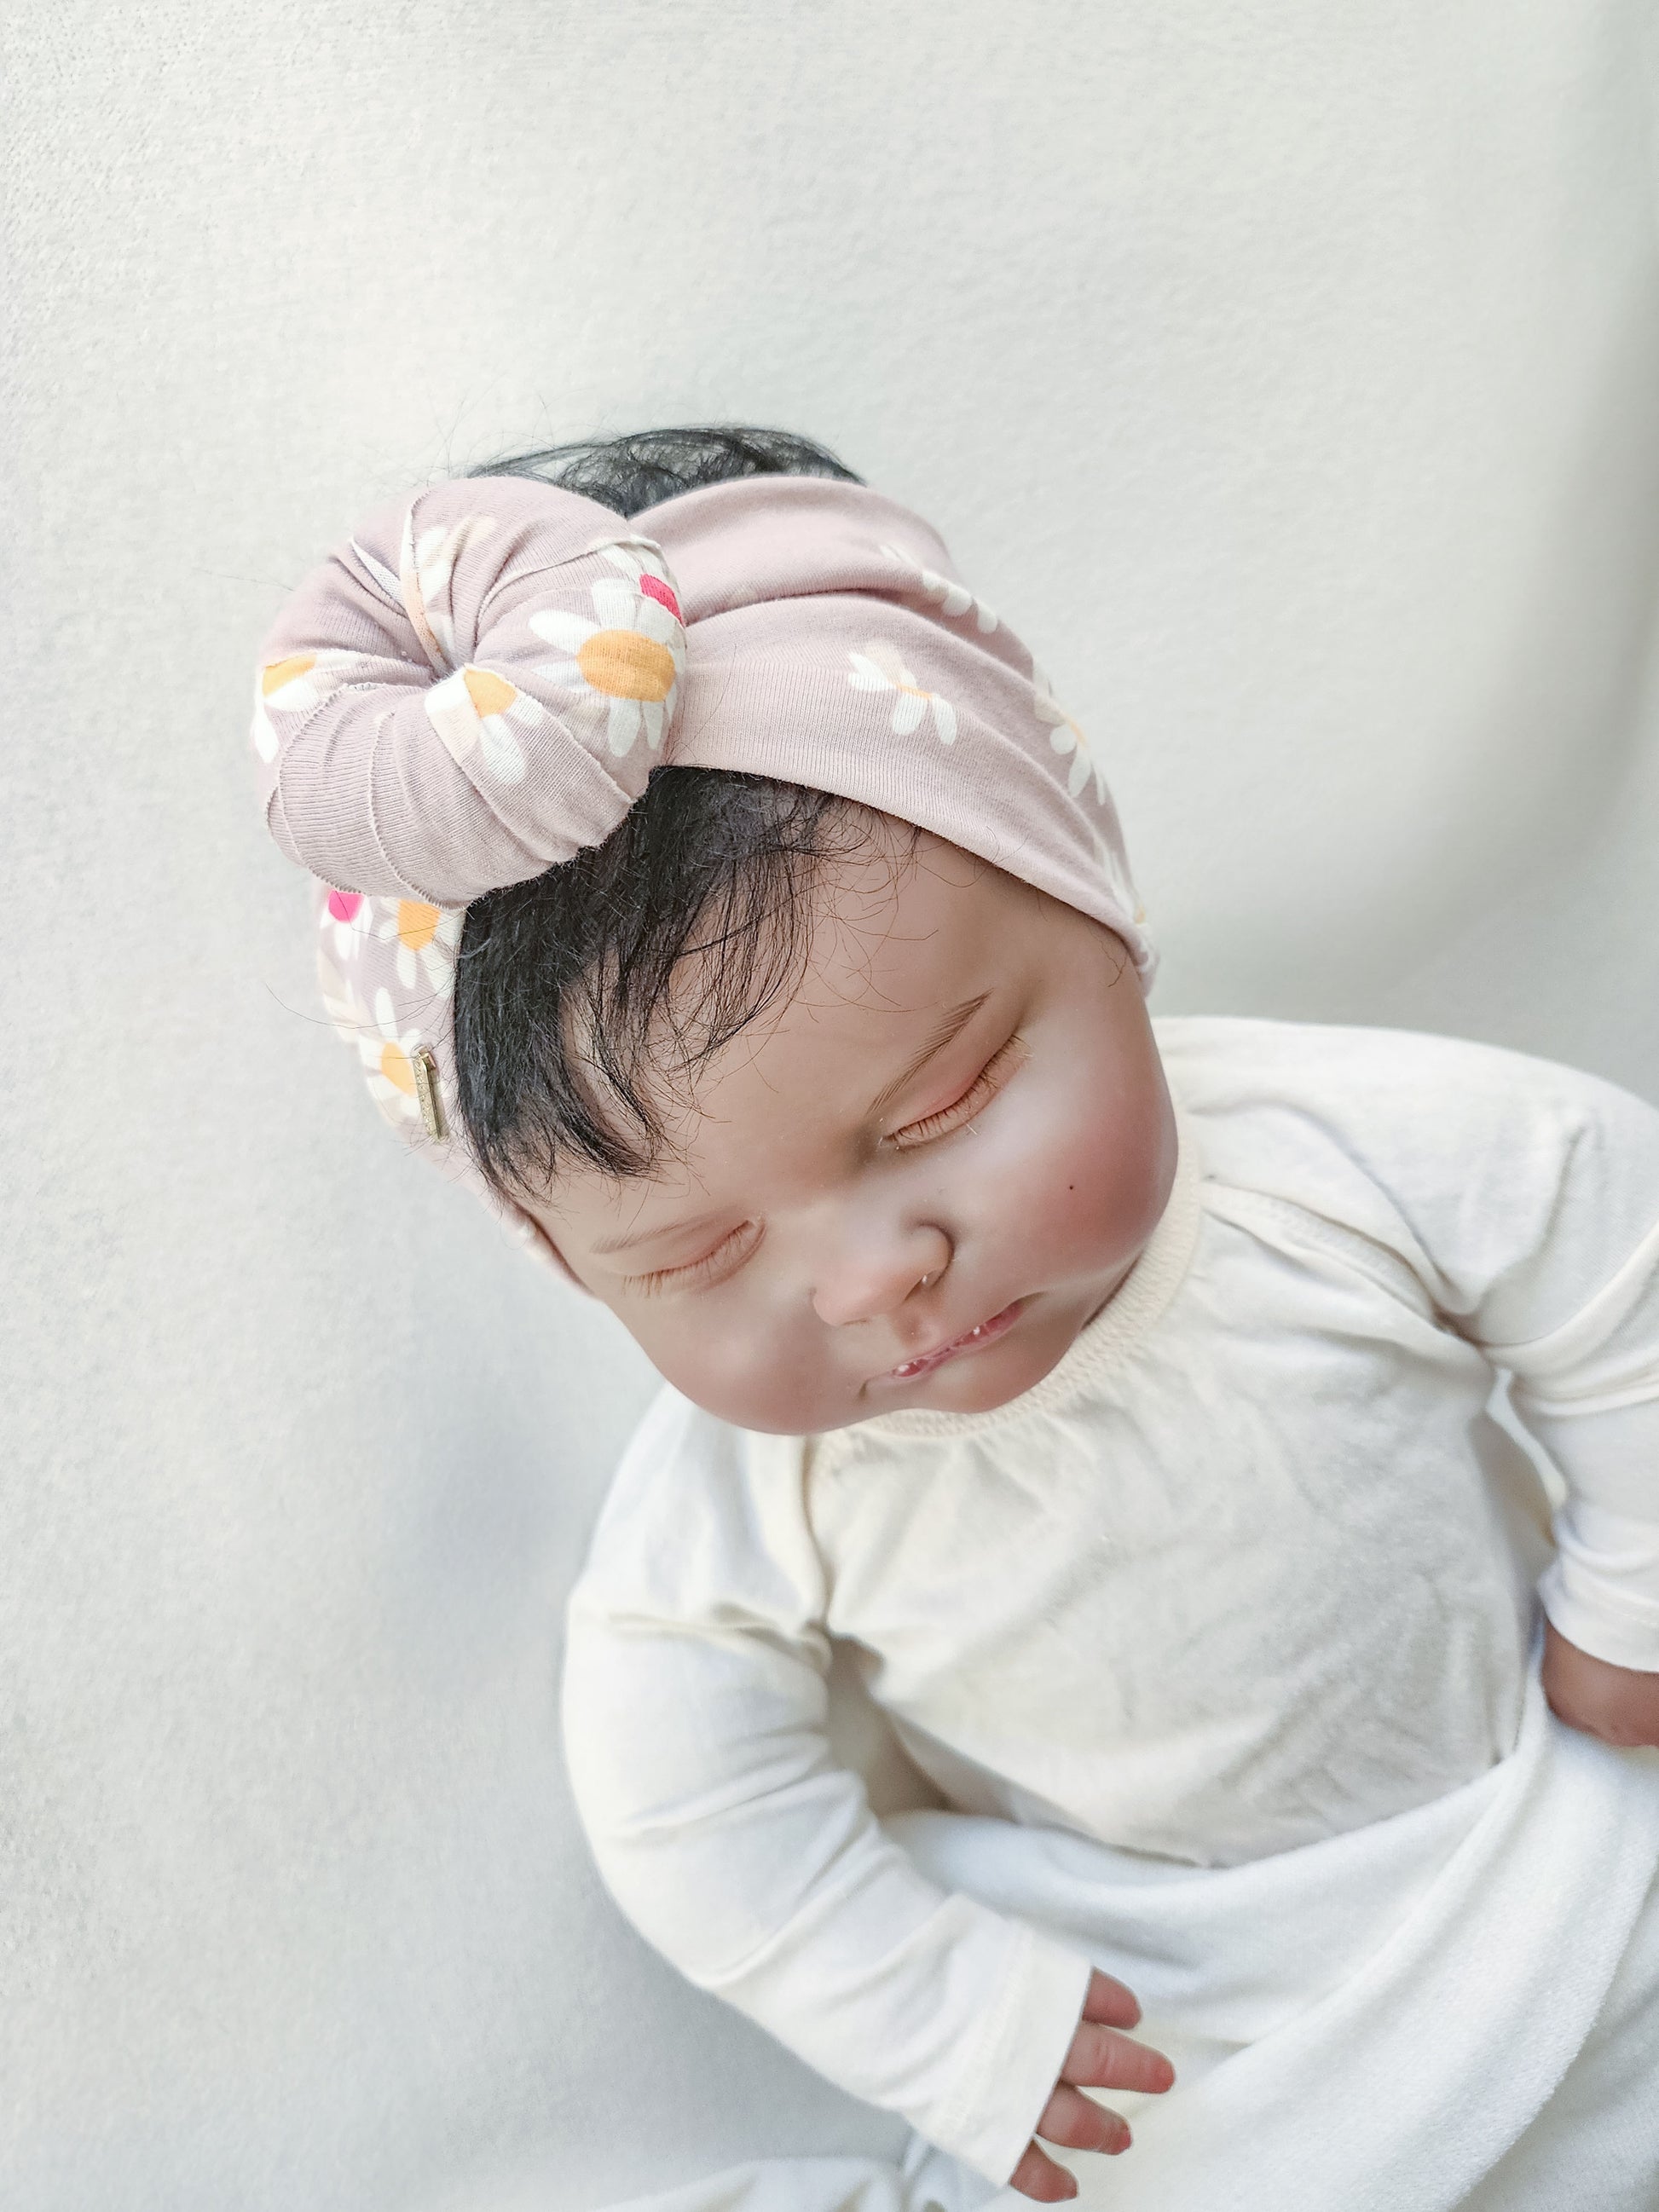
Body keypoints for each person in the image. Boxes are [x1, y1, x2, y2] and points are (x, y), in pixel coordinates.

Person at [250, 428, 1659, 2210]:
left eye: (937, 1108)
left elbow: (1611, 1221)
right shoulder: (748, 1492)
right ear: (572, 1264)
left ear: (1097, 910)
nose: (871, 1273)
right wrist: (950, 2020)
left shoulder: (1314, 1161)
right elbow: (680, 1789)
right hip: (1166, 1996)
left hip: (1545, 1822)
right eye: (695, 1257)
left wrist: (1630, 1590)